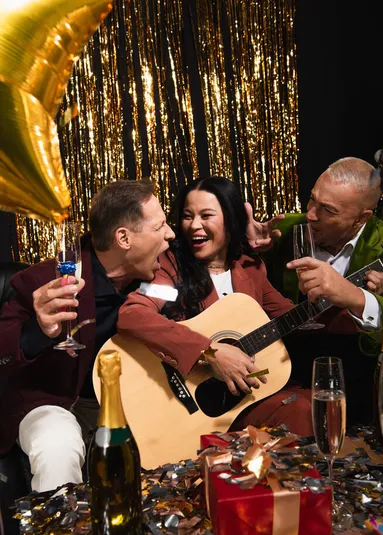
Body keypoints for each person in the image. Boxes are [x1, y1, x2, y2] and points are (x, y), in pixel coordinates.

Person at [0, 179, 175, 492]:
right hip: (55, 403)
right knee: (57, 444)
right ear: (124, 237)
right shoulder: (49, 279)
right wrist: (37, 331)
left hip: (133, 403)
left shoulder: (158, 274)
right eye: (160, 225)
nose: (170, 234)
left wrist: (247, 238)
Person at [118, 176, 314, 436]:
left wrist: (346, 296)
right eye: (188, 216)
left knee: (312, 401)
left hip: (241, 399)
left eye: (206, 215)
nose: (194, 225)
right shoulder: (169, 269)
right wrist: (208, 352)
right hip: (193, 409)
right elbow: (133, 314)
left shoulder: (251, 268)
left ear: (230, 220)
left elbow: (294, 317)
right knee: (299, 409)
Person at [246, 157, 383, 425]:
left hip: (357, 387)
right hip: (280, 377)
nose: (311, 214)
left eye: (328, 210)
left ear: (361, 217)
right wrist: (246, 246)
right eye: (312, 199)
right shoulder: (284, 230)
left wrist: (357, 297)